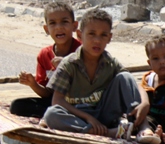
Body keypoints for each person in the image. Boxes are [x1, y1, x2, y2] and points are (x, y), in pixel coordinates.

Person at [42, 8, 148, 137]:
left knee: (125, 77)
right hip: (79, 116)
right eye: (91, 34)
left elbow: (132, 84)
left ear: (109, 38)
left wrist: (145, 103)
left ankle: (142, 126)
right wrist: (88, 118)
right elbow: (57, 101)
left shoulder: (110, 62)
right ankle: (110, 133)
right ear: (80, 35)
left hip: (105, 113)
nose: (97, 40)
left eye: (103, 35)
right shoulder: (69, 64)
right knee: (51, 115)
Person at [10, 1, 81, 118]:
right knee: (17, 106)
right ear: (46, 29)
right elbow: (47, 94)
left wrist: (66, 65)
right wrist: (33, 84)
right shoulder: (44, 55)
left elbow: (90, 85)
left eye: (64, 22)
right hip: (55, 103)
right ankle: (59, 117)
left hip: (80, 103)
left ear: (74, 26)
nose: (59, 27)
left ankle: (63, 117)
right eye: (52, 23)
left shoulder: (82, 51)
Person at [135, 34, 165, 144]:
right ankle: (148, 132)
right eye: (155, 58)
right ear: (149, 63)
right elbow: (140, 93)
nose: (161, 62)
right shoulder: (148, 79)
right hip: (151, 120)